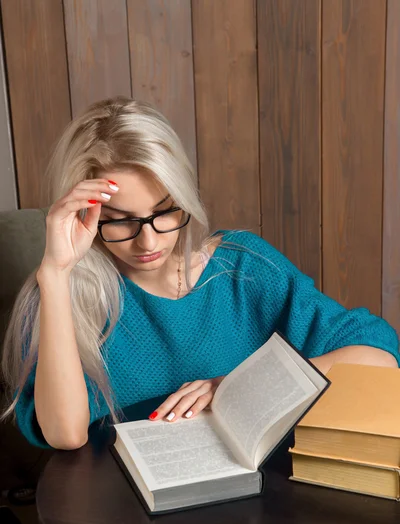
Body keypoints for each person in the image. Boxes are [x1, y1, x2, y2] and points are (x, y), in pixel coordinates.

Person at [1, 95, 399, 452]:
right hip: (124, 513)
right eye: (118, 221)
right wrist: (54, 274)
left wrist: (237, 388)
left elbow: (377, 357)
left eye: (164, 212)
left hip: (252, 504)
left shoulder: (243, 267)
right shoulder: (61, 296)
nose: (148, 242)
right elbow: (65, 434)